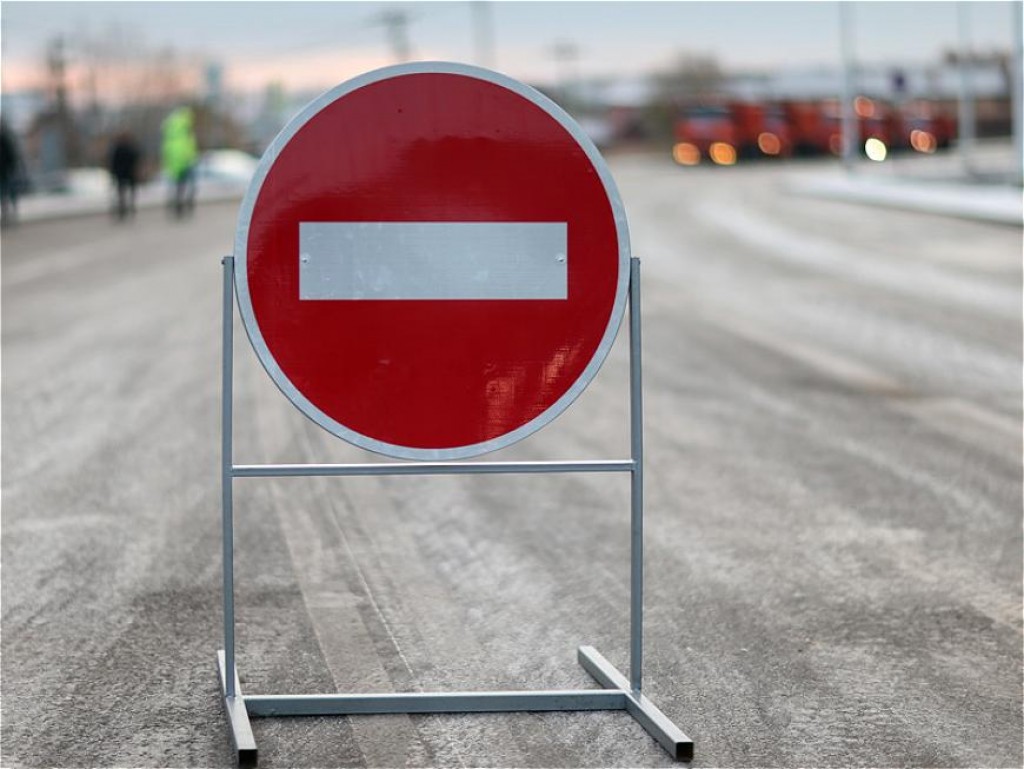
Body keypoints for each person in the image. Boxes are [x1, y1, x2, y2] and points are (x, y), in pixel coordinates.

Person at [161, 107, 198, 218]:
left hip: (177, 167)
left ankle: (179, 205)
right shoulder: (184, 137)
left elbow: (166, 154)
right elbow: (189, 151)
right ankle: (183, 205)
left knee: (179, 189)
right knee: (187, 188)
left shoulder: (170, 139)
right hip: (185, 165)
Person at [108, 130, 141, 220]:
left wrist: (113, 173)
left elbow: (113, 162)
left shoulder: (117, 149)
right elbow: (136, 160)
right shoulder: (131, 148)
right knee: (129, 193)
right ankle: (129, 209)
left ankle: (123, 210)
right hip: (129, 174)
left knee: (122, 194)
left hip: (121, 174)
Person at [0, 121, 25, 227]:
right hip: (4, 171)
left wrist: (12, 168)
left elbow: (11, 155)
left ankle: (11, 214)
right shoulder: (6, 138)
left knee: (8, 193)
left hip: (5, 171)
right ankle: (7, 214)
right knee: (4, 194)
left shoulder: (5, 139)